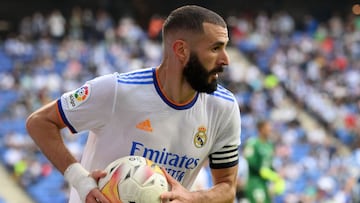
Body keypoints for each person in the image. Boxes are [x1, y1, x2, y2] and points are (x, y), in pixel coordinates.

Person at [26, 5, 241, 203]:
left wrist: (194, 198)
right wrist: (81, 180)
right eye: (215, 48)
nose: (225, 59)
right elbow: (39, 122)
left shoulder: (224, 108)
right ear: (181, 50)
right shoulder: (116, 90)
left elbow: (227, 187)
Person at [243, 121, 285, 203]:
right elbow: (250, 161)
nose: (270, 129)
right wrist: (262, 171)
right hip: (255, 182)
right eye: (268, 127)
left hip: (265, 183)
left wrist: (276, 175)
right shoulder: (253, 143)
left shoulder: (270, 145)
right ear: (261, 129)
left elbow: (269, 164)